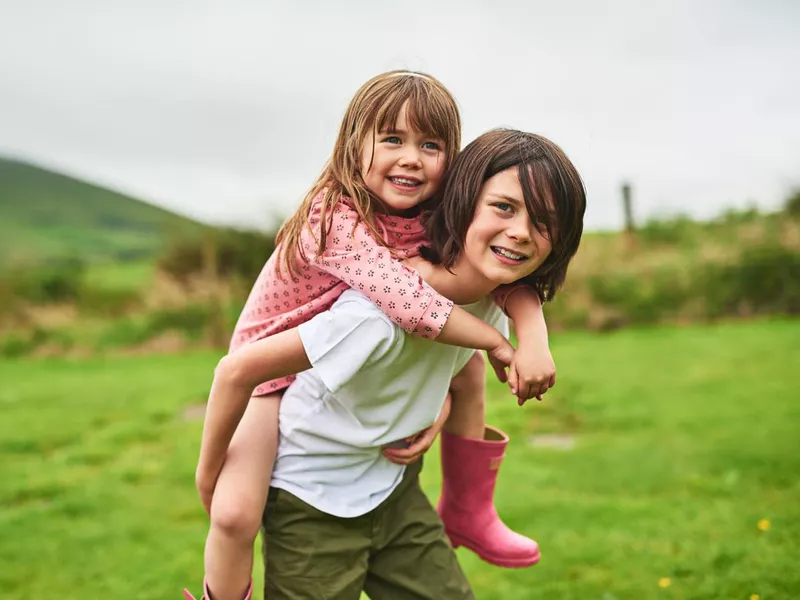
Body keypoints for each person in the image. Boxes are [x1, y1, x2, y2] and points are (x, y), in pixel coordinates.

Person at [185, 72, 557, 600]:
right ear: (352, 145)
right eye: (392, 139)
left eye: (430, 145)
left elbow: (495, 277)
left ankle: (471, 509)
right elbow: (407, 301)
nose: (411, 157)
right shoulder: (336, 215)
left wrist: (521, 341)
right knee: (232, 513)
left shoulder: (430, 218)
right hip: (273, 370)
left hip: (324, 366)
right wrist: (497, 343)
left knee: (467, 370)